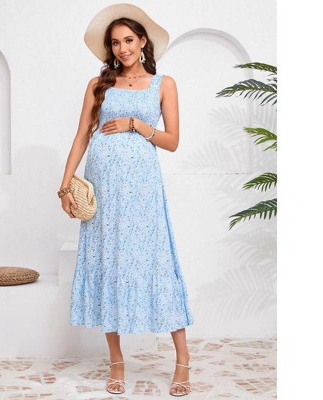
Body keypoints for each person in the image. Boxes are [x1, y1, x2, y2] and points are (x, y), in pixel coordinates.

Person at [58, 3, 194, 397]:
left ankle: (183, 360)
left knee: (157, 263)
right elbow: (82, 136)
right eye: (116, 43)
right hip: (104, 190)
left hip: (143, 191)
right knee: (110, 264)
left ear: (143, 41)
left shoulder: (163, 84)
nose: (123, 48)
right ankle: (116, 361)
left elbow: (172, 141)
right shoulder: (98, 84)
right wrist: (64, 185)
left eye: (129, 40)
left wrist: (136, 124)